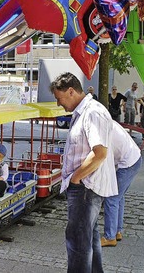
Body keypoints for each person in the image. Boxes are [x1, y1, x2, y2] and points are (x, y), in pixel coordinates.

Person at [50, 72, 118, 273]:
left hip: (86, 187)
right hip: (87, 185)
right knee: (88, 238)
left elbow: (99, 153)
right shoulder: (87, 111)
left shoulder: (92, 112)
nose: (58, 104)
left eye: (59, 98)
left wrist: (76, 178)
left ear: (71, 91)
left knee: (78, 241)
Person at [101, 121, 142, 247]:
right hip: (134, 159)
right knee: (119, 197)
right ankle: (117, 231)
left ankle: (110, 237)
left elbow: (102, 157)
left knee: (111, 198)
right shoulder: (107, 122)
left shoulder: (102, 131)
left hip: (128, 163)